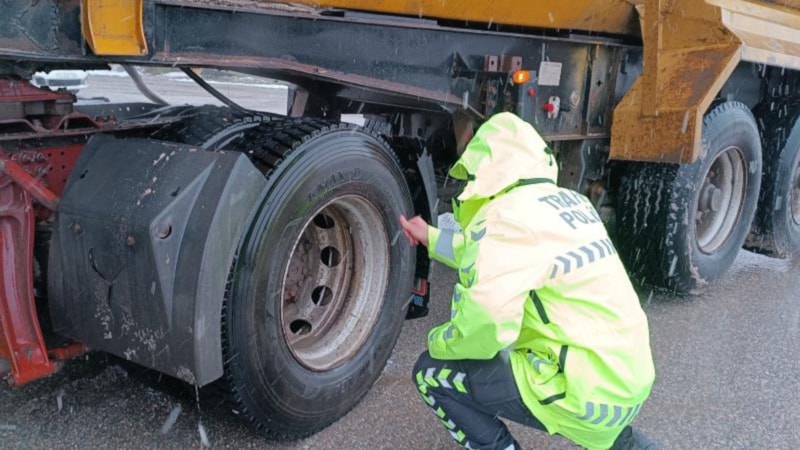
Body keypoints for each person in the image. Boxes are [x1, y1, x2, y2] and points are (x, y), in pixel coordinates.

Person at [399, 112, 657, 450]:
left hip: (581, 392)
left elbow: (487, 324)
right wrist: (431, 238)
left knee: (430, 373)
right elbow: (493, 254)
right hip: (624, 379)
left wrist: (438, 341)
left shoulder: (504, 218)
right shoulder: (569, 204)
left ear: (485, 169)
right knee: (609, 432)